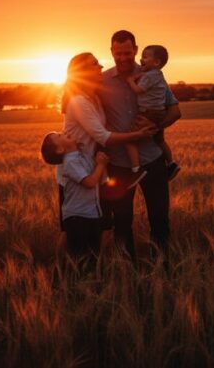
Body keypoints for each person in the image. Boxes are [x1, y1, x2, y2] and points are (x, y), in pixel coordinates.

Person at [43, 52, 157, 265]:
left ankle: (81, 272)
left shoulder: (93, 98)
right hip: (77, 173)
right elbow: (103, 136)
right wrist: (138, 136)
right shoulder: (79, 102)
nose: (100, 66)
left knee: (92, 227)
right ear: (83, 73)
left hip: (91, 169)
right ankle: (62, 275)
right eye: (94, 64)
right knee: (74, 230)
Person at [99, 30, 182, 262]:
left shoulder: (153, 75)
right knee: (122, 222)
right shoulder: (102, 81)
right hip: (118, 164)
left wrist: (157, 126)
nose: (123, 58)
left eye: (127, 52)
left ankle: (163, 271)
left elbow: (176, 111)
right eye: (118, 53)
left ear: (135, 50)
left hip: (152, 160)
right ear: (111, 52)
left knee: (159, 219)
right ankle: (128, 274)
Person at [40, 132, 110, 266]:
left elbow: (97, 177)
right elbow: (89, 183)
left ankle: (89, 283)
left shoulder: (82, 155)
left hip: (92, 214)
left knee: (93, 258)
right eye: (60, 136)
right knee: (79, 259)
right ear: (60, 149)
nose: (64, 133)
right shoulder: (70, 163)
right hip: (78, 218)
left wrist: (100, 164)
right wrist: (101, 165)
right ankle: (75, 284)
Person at [123, 44, 180, 181]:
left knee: (129, 139)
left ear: (156, 62)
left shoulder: (148, 77)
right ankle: (171, 163)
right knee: (159, 140)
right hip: (158, 113)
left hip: (148, 114)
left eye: (145, 57)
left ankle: (136, 170)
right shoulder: (159, 75)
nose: (141, 59)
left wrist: (130, 81)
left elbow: (138, 90)